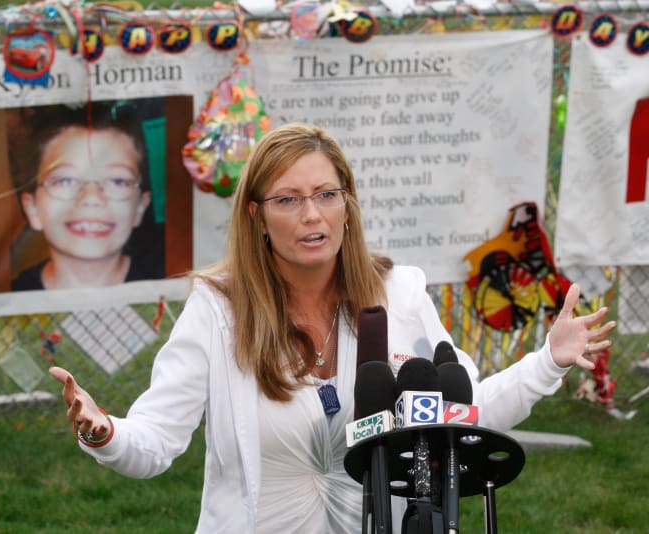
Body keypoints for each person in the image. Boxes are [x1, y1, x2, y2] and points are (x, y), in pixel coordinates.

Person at [49, 123, 615, 533]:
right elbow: (156, 440)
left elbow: (462, 415)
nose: (312, 215)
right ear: (257, 216)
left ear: (348, 204)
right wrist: (104, 432)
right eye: (289, 200)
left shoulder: (399, 293)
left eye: (326, 195)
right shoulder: (218, 308)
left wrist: (547, 361)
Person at [8, 101, 162, 291]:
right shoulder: (8, 299)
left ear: (140, 207)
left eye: (117, 181)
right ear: (32, 209)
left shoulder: (174, 289)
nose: (92, 198)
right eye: (65, 180)